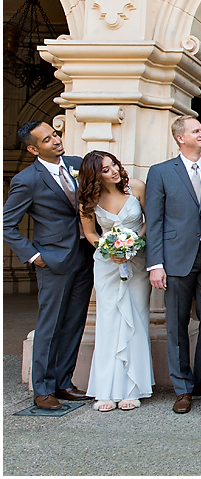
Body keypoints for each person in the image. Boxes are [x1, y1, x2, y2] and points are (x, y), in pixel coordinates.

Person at [3, 121, 93, 409]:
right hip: (53, 260)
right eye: (46, 140)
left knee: (75, 321)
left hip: (85, 255)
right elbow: (7, 225)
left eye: (55, 135)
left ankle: (63, 383)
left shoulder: (78, 164)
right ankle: (42, 389)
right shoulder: (27, 180)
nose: (55, 141)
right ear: (33, 149)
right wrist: (34, 256)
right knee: (49, 325)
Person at [144, 115, 201, 414]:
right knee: (176, 324)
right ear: (180, 137)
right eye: (196, 131)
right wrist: (155, 264)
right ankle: (182, 388)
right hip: (175, 258)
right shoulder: (161, 172)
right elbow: (155, 220)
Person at [78, 151, 153, 411]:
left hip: (137, 260)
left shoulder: (138, 187)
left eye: (114, 166)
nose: (114, 172)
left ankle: (133, 387)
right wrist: (109, 248)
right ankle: (106, 389)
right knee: (108, 320)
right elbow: (90, 233)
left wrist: (135, 243)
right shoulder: (88, 200)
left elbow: (150, 222)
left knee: (136, 316)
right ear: (94, 176)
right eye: (106, 170)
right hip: (107, 264)